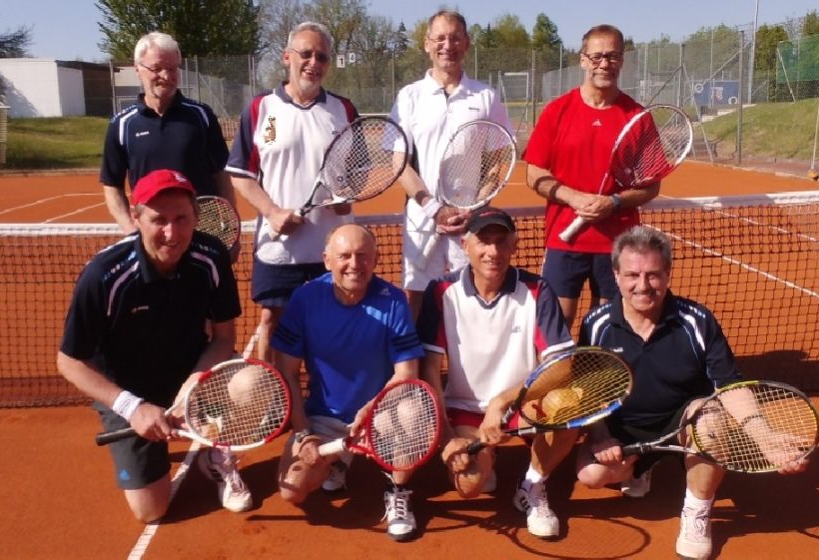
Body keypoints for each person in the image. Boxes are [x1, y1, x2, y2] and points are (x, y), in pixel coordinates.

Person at [574, 225, 809, 559]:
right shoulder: (595, 324)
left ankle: (697, 511)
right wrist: (600, 435)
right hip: (626, 428)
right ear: (616, 275)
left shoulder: (697, 320)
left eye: (654, 275)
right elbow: (589, 392)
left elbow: (728, 386)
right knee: (591, 474)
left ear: (668, 273)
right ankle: (642, 466)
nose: (643, 286)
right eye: (633, 275)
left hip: (686, 422)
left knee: (711, 417)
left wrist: (764, 435)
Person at [57, 168, 252, 522]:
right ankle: (140, 445)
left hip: (189, 369)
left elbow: (224, 337)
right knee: (151, 511)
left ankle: (217, 457)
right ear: (136, 217)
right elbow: (70, 361)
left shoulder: (210, 256)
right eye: (158, 219)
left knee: (250, 386)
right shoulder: (104, 275)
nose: (172, 233)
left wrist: (193, 384)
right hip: (128, 386)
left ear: (196, 216)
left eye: (182, 218)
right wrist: (133, 407)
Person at [416, 207, 575, 539]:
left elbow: (561, 366)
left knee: (571, 407)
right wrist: (447, 437)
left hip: (522, 404)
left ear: (514, 246)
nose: (493, 252)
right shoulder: (441, 293)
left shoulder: (536, 290)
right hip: (466, 408)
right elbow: (429, 367)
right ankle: (484, 458)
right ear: (465, 245)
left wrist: (501, 402)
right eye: (483, 242)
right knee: (470, 484)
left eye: (501, 242)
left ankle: (532, 483)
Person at [271, 224, 426, 542]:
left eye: (363, 256)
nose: (354, 264)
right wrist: (303, 434)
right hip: (323, 418)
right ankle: (336, 462)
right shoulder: (305, 299)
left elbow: (406, 373)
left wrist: (370, 410)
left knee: (414, 412)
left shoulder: (393, 301)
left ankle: (397, 489)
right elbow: (286, 370)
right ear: (327, 260)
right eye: (344, 256)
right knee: (293, 491)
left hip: (381, 415)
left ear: (376, 259)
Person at [226, 21, 356, 364]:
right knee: (272, 321)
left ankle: (318, 406)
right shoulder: (260, 109)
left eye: (322, 57)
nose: (314, 62)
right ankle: (274, 403)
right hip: (279, 249)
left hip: (333, 249)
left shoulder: (344, 111)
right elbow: (242, 175)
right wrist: (272, 212)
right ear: (287, 57)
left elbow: (358, 175)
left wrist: (345, 199)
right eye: (306, 53)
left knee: (328, 327)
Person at [522, 24, 660, 328]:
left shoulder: (637, 117)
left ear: (622, 60)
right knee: (555, 325)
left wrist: (612, 202)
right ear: (583, 60)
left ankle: (604, 378)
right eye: (596, 57)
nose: (604, 64)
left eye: (612, 56)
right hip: (564, 239)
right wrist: (575, 198)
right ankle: (553, 378)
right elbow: (533, 174)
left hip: (618, 244)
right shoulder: (557, 111)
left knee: (608, 328)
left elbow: (651, 186)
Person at [391, 9, 514, 320]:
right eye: (441, 38)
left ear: (467, 43)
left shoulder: (485, 96)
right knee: (415, 298)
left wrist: (473, 208)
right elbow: (399, 163)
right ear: (427, 43)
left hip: (469, 220)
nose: (448, 45)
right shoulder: (409, 97)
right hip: (422, 218)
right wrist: (433, 208)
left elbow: (499, 160)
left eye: (456, 37)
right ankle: (415, 368)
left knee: (469, 296)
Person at [100, 32, 237, 239]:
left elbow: (221, 175)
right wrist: (130, 230)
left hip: (200, 231)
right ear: (138, 69)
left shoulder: (202, 115)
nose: (166, 76)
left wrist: (229, 228)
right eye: (157, 68)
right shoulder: (121, 124)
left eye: (172, 68)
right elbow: (112, 185)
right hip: (151, 234)